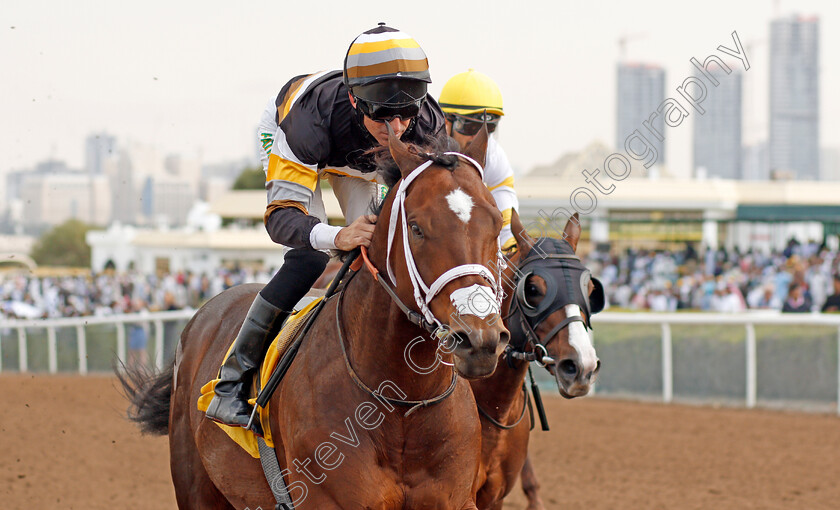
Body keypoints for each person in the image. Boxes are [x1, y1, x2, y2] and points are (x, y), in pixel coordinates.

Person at [205, 24, 450, 427]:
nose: (396, 128)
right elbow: (281, 218)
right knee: (309, 260)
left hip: (357, 162)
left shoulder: (427, 124)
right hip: (304, 143)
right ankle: (231, 380)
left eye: (406, 112)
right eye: (382, 115)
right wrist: (337, 235)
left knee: (381, 246)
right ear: (355, 99)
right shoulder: (307, 124)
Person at [438, 69, 519, 252]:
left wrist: (511, 244)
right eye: (470, 126)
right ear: (445, 121)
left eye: (488, 127)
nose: (478, 138)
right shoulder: (423, 147)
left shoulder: (493, 153)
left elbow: (502, 193)